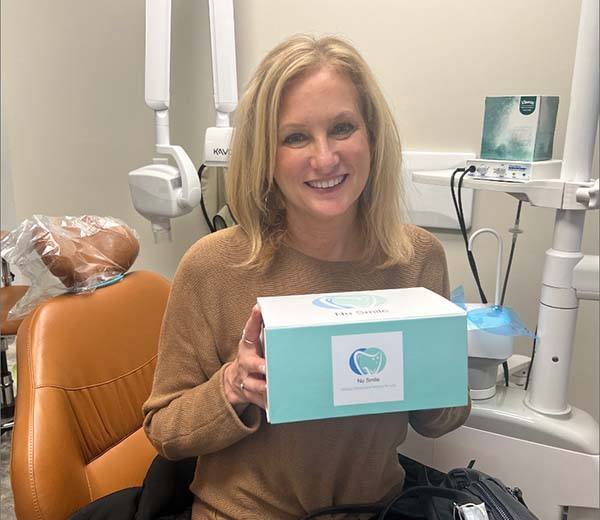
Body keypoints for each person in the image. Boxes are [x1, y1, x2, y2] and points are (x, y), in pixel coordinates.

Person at [143, 34, 470, 519]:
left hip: (376, 509)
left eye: (342, 128)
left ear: (372, 138)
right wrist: (234, 386)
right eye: (295, 137)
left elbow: (442, 419)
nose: (324, 158)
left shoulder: (415, 259)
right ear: (266, 156)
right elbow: (164, 430)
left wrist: (434, 376)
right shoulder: (213, 267)